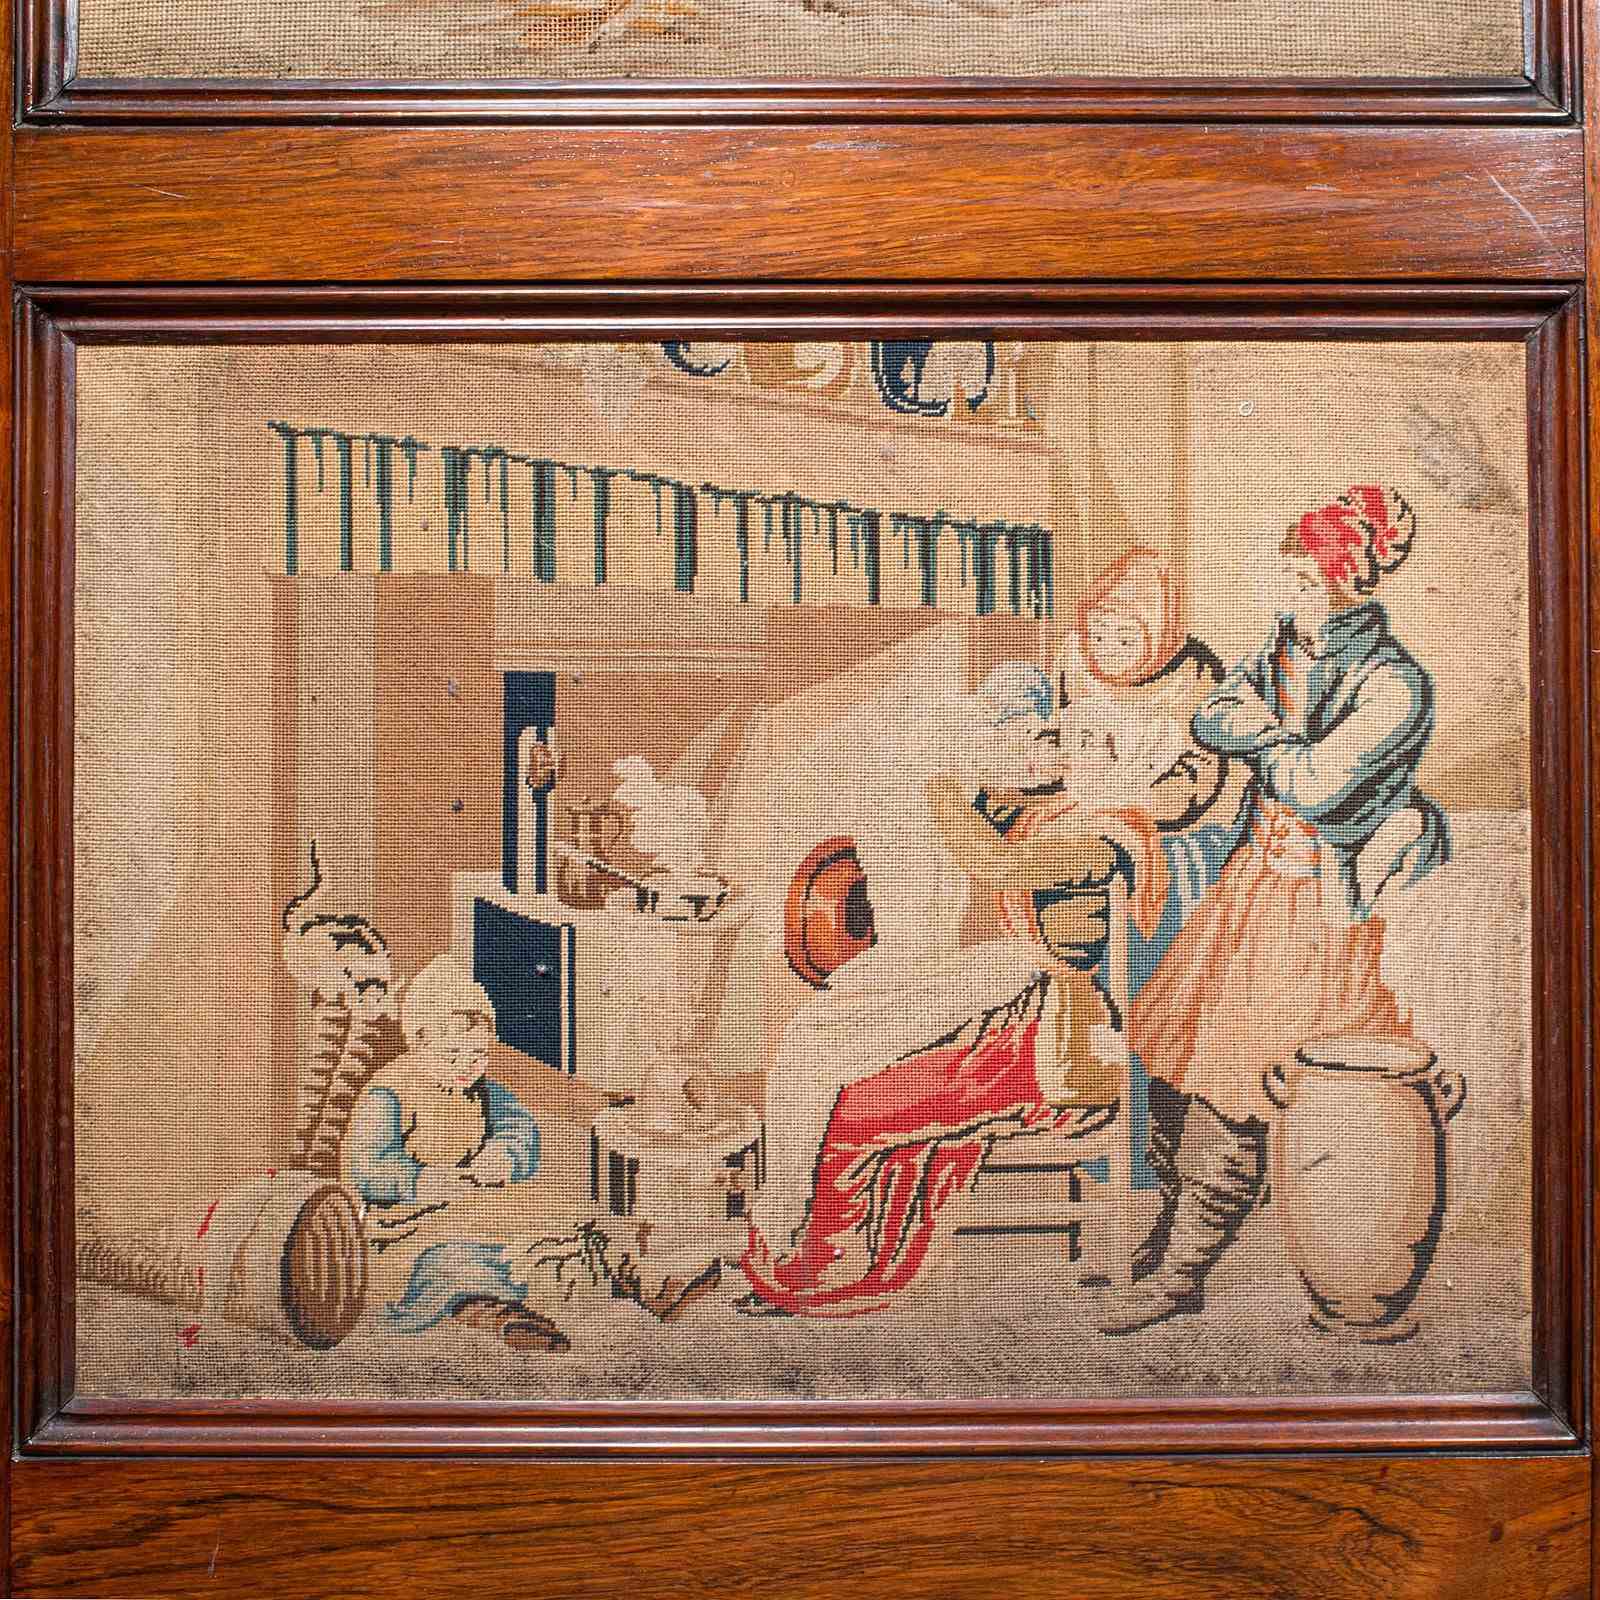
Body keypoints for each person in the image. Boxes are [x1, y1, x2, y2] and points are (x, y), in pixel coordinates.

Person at [1101, 484, 1449, 1336]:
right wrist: (1267, 735)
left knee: (1238, 1091)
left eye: (1301, 576)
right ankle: (1170, 1233)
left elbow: (1317, 784)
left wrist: (1264, 736)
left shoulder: (1394, 683)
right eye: (1288, 572)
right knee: (1169, 1065)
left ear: (1345, 580)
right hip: (1250, 885)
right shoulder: (1286, 643)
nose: (1286, 588)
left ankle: (1181, 1275)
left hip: (1319, 910)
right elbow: (1211, 715)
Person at [735, 697, 1185, 1320]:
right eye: (1067, 741)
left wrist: (942, 785)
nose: (1068, 755)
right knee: (833, 1045)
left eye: (1089, 746)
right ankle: (807, 1246)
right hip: (1028, 1010)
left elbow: (998, 866)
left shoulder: (1101, 839)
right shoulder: (1057, 813)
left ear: (1128, 766)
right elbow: (984, 821)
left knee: (856, 1109)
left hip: (1063, 1039)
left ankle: (818, 1266)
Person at [343, 954, 571, 1353]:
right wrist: (420, 1180)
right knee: (449, 1262)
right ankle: (496, 1315)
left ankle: (640, 1282)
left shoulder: (482, 1090)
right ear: (418, 1043)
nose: (467, 1066)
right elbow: (366, 1166)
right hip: (406, 1222)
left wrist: (504, 1154)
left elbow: (520, 1127)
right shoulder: (388, 1093)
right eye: (452, 1055)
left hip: (471, 1204)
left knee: (559, 1225)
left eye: (478, 1054)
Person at [1058, 547, 1228, 831]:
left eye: (1125, 640)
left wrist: (1138, 803)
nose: (1107, 650)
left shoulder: (1193, 672)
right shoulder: (1076, 658)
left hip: (1153, 817)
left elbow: (1201, 771)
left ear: (1158, 633)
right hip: (1079, 802)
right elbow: (1062, 732)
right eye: (1096, 635)